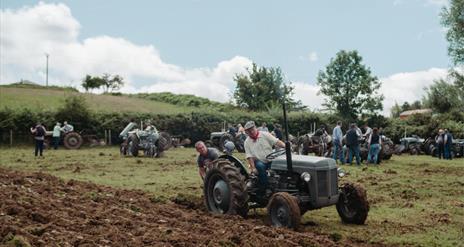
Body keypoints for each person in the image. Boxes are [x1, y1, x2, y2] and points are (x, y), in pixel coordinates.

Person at [244, 121, 285, 196]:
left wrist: (286, 146)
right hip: (259, 161)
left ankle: (281, 186)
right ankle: (265, 187)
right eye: (249, 131)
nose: (251, 132)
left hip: (271, 159)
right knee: (260, 166)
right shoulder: (247, 142)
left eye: (252, 129)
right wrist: (253, 168)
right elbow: (249, 156)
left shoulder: (265, 135)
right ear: (247, 132)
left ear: (255, 128)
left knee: (281, 165)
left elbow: (276, 141)